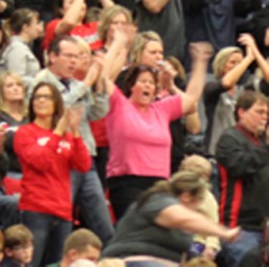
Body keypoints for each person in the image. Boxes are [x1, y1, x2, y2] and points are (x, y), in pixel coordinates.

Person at [102, 30, 212, 219]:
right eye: (142, 82)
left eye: (151, 83)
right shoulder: (120, 105)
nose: (147, 86)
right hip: (127, 183)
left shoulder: (161, 109)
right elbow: (103, 79)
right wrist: (119, 43)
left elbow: (191, 100)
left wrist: (200, 64)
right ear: (131, 86)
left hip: (160, 184)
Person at [30, 36, 114, 247]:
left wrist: (100, 83)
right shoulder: (41, 82)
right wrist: (86, 84)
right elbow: (55, 111)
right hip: (59, 160)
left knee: (102, 221)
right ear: (51, 57)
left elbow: (97, 113)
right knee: (61, 221)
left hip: (85, 156)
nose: (73, 62)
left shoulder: (77, 84)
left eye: (77, 57)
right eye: (68, 56)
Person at [15, 82, 92, 267]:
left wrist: (75, 132)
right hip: (36, 209)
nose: (40, 100)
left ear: (56, 102)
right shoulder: (25, 133)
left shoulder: (66, 136)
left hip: (63, 211)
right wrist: (57, 132)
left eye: (46, 97)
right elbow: (40, 162)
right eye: (37, 97)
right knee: (31, 263)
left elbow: (83, 165)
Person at [101, 171, 240, 266]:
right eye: (198, 200)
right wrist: (223, 232)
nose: (198, 207)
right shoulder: (158, 200)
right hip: (132, 260)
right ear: (186, 196)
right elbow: (185, 219)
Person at [215, 90, 269, 267]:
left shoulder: (262, 143)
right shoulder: (229, 139)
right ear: (241, 112)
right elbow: (241, 166)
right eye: (259, 112)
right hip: (239, 227)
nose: (265, 117)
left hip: (264, 226)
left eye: (267, 113)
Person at [203, 34, 269, 156]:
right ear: (221, 65)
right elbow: (227, 83)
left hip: (241, 150)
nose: (238, 66)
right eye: (232, 62)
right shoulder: (211, 88)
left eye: (240, 62)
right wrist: (248, 59)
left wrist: (255, 52)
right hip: (216, 152)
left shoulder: (245, 91)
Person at [42, 0, 111, 51]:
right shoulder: (53, 25)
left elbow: (118, 19)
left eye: (81, 1)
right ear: (61, 10)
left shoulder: (95, 26)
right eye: (72, 2)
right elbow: (68, 23)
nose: (80, 5)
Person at [0, 8, 42, 88]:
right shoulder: (17, 48)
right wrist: (40, 81)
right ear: (26, 27)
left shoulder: (21, 47)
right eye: (37, 23)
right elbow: (16, 78)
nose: (39, 28)